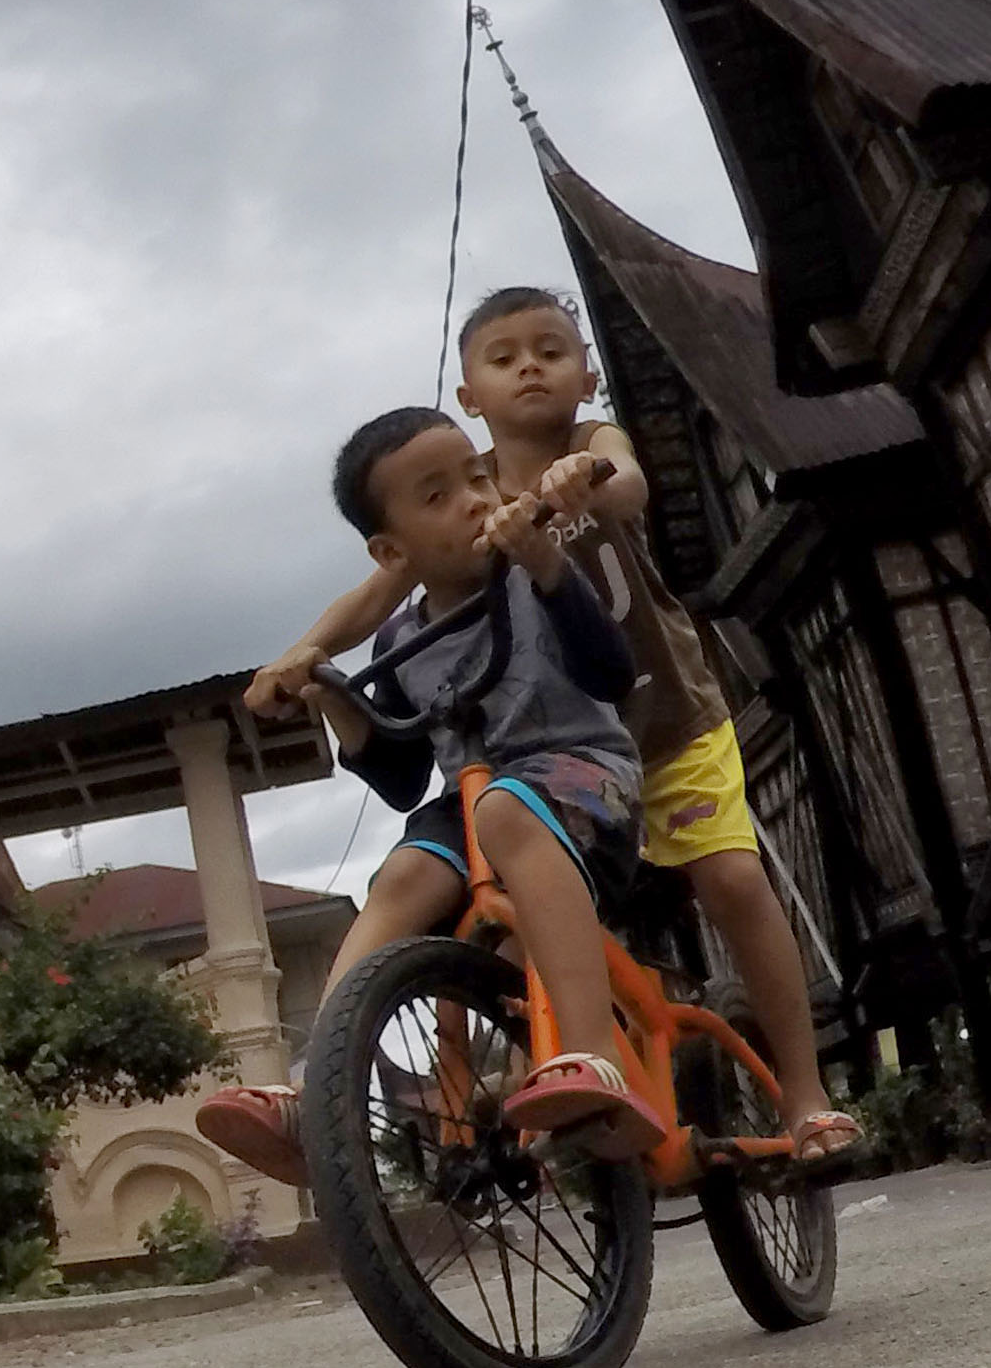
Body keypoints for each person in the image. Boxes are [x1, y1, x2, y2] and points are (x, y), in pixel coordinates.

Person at [240, 287, 855, 1162]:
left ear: (587, 373)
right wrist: (306, 656)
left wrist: (583, 483)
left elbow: (629, 488)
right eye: (504, 356)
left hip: (662, 714)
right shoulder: (462, 492)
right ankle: (326, 1086)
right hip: (521, 756)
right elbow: (382, 588)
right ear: (470, 397)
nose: (530, 365)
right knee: (431, 873)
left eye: (551, 349)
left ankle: (803, 1091)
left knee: (728, 879)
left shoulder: (581, 449)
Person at [195, 406, 660, 1186]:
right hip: (476, 805)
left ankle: (593, 1052)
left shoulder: (535, 575)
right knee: (403, 874)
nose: (477, 499)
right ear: (391, 551)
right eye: (439, 495)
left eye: (478, 478)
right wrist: (333, 695)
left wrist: (546, 562)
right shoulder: (399, 638)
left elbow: (611, 673)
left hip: (584, 778)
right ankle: (316, 1097)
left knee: (506, 808)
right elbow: (405, 775)